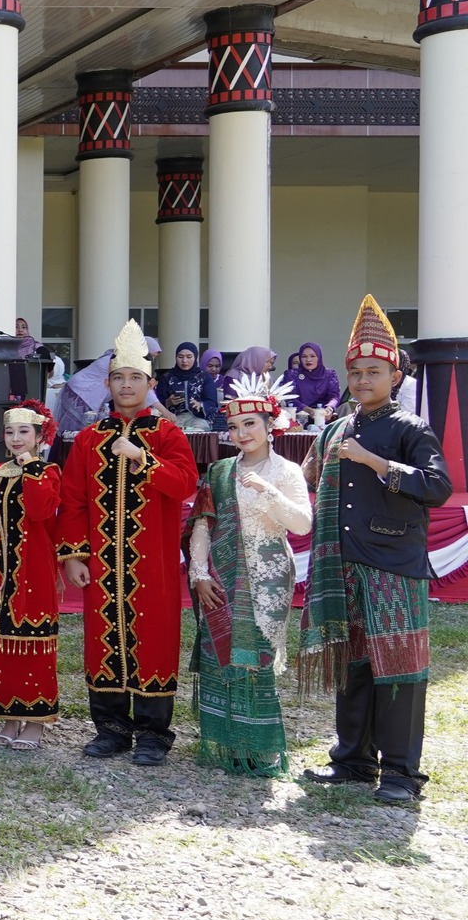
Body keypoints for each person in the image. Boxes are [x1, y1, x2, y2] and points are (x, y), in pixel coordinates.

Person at [299, 297, 451, 804]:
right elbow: (309, 485)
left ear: (395, 375)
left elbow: (437, 486)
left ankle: (403, 776)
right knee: (355, 664)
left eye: (374, 371)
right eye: (357, 372)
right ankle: (353, 762)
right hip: (343, 566)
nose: (363, 380)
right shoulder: (335, 429)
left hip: (392, 566)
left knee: (400, 669)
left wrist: (374, 462)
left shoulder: (410, 429)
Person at [58, 320, 201, 766]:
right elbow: (74, 501)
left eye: (134, 378)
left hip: (151, 563)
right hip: (101, 563)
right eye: (118, 377)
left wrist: (145, 459)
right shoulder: (88, 439)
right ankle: (112, 728)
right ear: (107, 383)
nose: (125, 385)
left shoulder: (167, 434)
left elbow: (184, 485)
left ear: (150, 383)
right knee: (104, 638)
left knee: (155, 637)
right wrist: (74, 556)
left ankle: (154, 733)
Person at [189, 373, 311, 777]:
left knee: (257, 656)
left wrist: (266, 490)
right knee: (220, 654)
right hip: (220, 576)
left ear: (270, 425)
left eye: (250, 424)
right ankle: (225, 743)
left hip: (269, 575)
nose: (241, 433)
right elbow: (203, 526)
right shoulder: (219, 470)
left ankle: (260, 747)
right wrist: (199, 573)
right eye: (235, 426)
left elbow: (301, 524)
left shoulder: (287, 471)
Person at [0, 402, 64, 750]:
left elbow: (41, 511)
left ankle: (37, 721)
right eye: (10, 432)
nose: (15, 438)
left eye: (24, 432)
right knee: (0, 645)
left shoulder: (48, 472)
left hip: (34, 572)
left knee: (34, 644)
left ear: (40, 436)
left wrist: (30, 466)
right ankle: (9, 715)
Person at [156, 341, 217, 430]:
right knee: (168, 430)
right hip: (172, 418)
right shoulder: (167, 377)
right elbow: (155, 402)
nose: (184, 361)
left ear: (195, 357)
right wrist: (168, 402)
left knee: (200, 429)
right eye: (180, 357)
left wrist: (200, 405)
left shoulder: (204, 376)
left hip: (198, 418)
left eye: (189, 357)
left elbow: (212, 402)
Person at [279, 340, 342, 425]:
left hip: (322, 418)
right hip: (298, 418)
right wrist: (308, 410)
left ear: (319, 357)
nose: (308, 360)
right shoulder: (292, 374)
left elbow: (334, 396)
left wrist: (329, 408)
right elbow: (290, 398)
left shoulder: (329, 375)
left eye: (312, 356)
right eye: (304, 356)